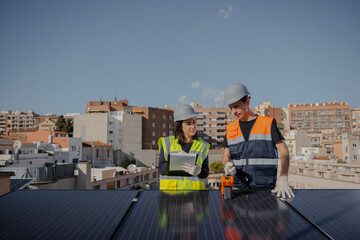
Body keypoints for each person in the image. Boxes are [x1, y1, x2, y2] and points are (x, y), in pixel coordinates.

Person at [222, 83, 294, 199]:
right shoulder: (230, 129)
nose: (233, 111)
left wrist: (283, 178)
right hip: (238, 192)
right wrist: (227, 164)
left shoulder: (268, 124)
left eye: (236, 106)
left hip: (264, 191)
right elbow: (226, 155)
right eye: (231, 108)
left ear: (247, 102)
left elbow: (284, 152)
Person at [158, 104, 210, 191]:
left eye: (194, 122)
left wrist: (199, 171)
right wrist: (176, 162)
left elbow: (205, 173)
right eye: (188, 123)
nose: (193, 126)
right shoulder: (167, 143)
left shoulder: (203, 146)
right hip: (170, 197)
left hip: (194, 197)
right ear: (180, 126)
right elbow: (161, 169)